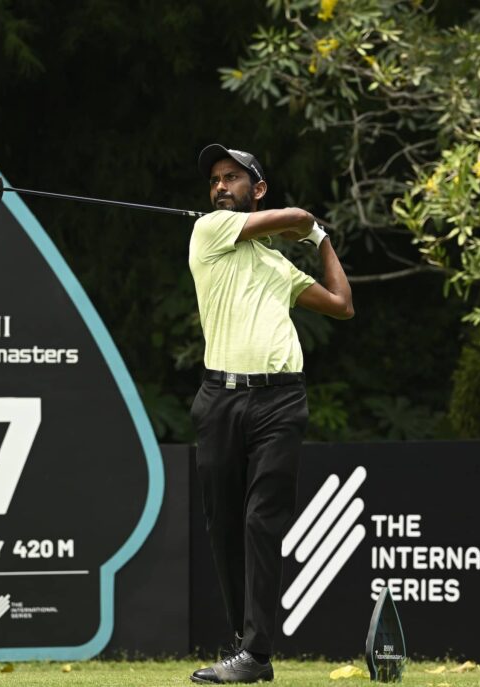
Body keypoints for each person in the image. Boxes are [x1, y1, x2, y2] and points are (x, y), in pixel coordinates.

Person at [188, 144, 354, 684]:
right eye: (214, 179)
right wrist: (308, 227)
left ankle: (255, 655)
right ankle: (247, 646)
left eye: (232, 178)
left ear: (256, 188)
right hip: (220, 400)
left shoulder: (277, 265)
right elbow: (299, 217)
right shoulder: (209, 232)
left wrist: (322, 242)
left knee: (262, 520)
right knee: (223, 526)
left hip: (280, 402)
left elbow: (340, 303)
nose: (219, 187)